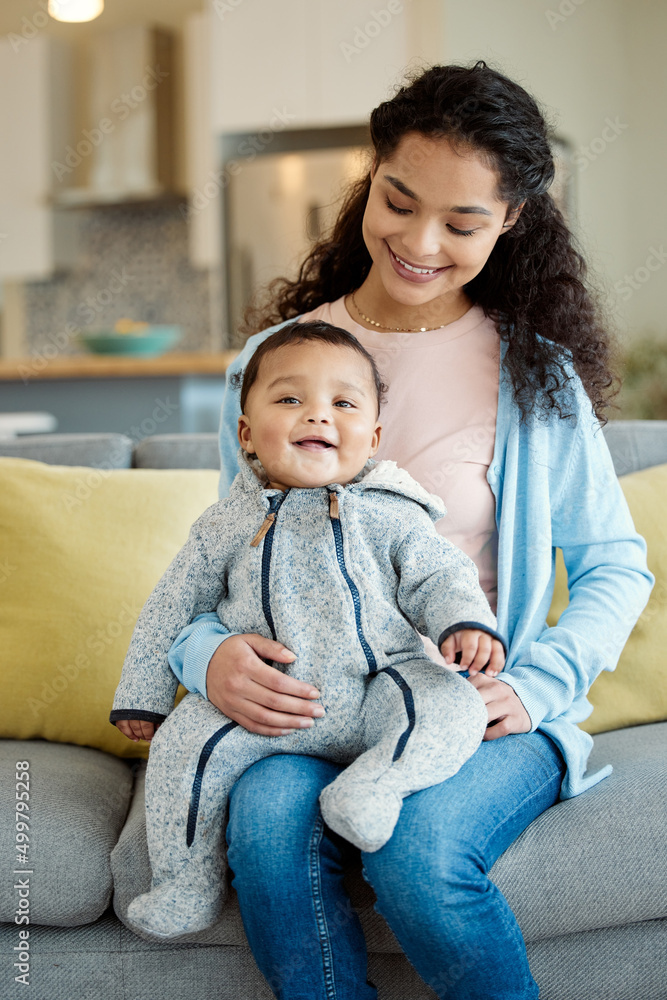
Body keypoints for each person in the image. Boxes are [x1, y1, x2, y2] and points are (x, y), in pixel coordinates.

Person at [165, 62, 652, 1000]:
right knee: (265, 830)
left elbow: (612, 564)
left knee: (420, 857)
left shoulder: (531, 378)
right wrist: (206, 656)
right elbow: (218, 558)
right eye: (397, 201)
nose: (419, 242)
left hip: (473, 709)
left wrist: (539, 681)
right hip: (314, 709)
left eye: (462, 224)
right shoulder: (275, 365)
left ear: (509, 222)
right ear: (370, 174)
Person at [110, 320, 506, 940]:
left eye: (343, 404)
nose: (317, 417)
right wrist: (144, 694)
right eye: (291, 399)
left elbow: (439, 575)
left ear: (372, 436)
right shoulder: (225, 522)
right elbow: (172, 603)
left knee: (452, 707)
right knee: (183, 749)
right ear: (246, 432)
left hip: (381, 687)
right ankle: (184, 883)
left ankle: (377, 785)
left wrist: (464, 623)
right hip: (270, 705)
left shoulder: (391, 512)